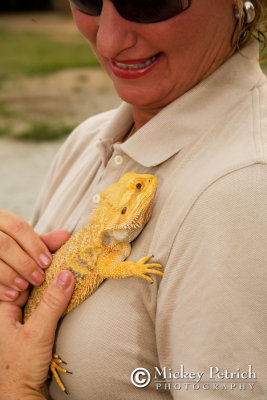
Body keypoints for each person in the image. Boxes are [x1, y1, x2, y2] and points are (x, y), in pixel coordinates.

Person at [0, 0, 267, 398]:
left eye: (146, 1)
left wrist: (17, 388)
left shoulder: (242, 190)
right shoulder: (89, 141)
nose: (108, 41)